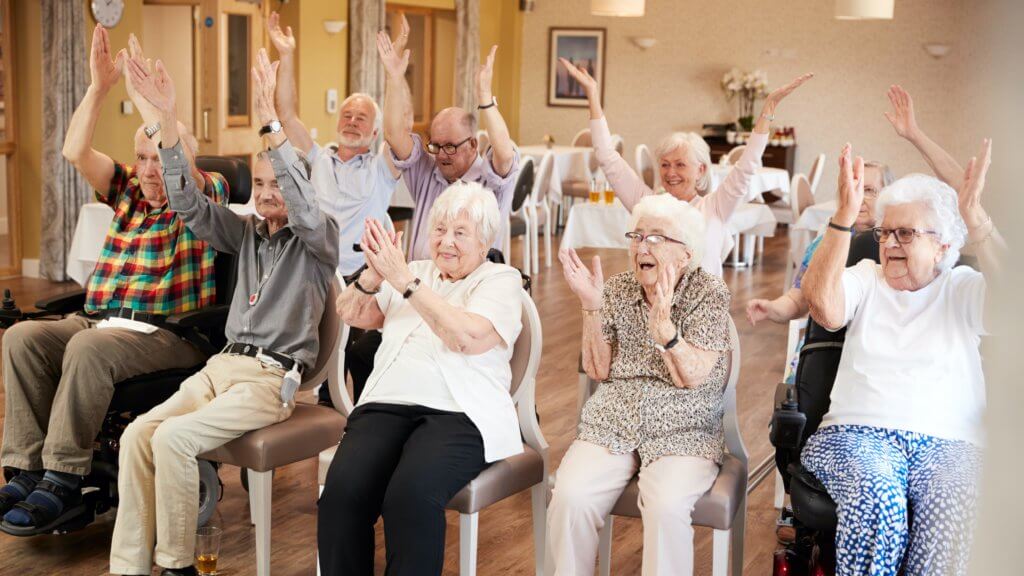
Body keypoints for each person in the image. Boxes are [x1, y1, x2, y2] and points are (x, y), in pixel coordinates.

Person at [107, 49, 338, 576]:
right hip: (221, 369)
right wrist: (167, 118)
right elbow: (187, 204)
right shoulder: (248, 233)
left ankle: (176, 565)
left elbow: (303, 207)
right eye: (259, 184)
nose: (266, 194)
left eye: (277, 183)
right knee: (140, 433)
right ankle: (127, 570)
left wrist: (270, 124)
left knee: (173, 438)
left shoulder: (319, 239)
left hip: (269, 379)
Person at [0, 26, 224, 534]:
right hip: (100, 323)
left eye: (158, 159)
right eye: (140, 158)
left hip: (168, 334)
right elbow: (74, 150)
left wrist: (156, 105)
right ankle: (27, 468)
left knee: (87, 352)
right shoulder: (126, 192)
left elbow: (178, 165)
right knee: (21, 338)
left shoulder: (203, 198)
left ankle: (61, 476)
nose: (148, 170)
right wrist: (100, 87)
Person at [800, 141, 1002, 575]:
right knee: (877, 496)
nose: (889, 244)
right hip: (856, 434)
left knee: (957, 498)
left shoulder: (960, 287)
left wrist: (978, 222)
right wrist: (841, 220)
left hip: (952, 442)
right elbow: (823, 307)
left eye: (905, 234)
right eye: (884, 233)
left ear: (944, 247)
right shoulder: (866, 278)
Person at [318, 182, 524, 576]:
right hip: (386, 404)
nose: (446, 241)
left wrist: (406, 285)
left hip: (461, 412)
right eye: (439, 230)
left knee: (410, 496)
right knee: (342, 496)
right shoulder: (412, 270)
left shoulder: (500, 279)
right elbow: (351, 313)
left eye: (460, 233)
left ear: (484, 241)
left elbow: (465, 338)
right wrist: (373, 278)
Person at [547, 194, 733, 576]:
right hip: (614, 421)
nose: (642, 247)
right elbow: (598, 369)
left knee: (666, 505)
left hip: (684, 428)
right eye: (637, 236)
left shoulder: (708, 293)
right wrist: (591, 305)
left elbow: (693, 375)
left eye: (655, 238)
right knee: (570, 497)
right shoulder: (616, 289)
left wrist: (667, 334)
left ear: (685, 253)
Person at [559, 59, 812, 277]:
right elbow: (607, 157)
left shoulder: (715, 207)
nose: (671, 173)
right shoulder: (647, 203)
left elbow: (746, 167)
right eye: (665, 164)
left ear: (701, 170)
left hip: (702, 314)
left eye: (681, 165)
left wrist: (767, 111)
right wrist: (592, 94)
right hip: (654, 307)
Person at [266, 11, 402, 405]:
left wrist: (394, 77)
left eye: (362, 118)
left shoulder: (381, 167)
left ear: (374, 132)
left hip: (365, 274)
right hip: (318, 271)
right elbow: (285, 115)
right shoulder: (317, 159)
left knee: (361, 356)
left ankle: (361, 410)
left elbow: (397, 131)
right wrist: (287, 56)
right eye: (347, 115)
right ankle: (316, 400)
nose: (353, 121)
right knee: (313, 353)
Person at [377, 26, 520, 262]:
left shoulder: (491, 181)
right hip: (419, 285)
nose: (442, 155)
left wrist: (485, 97)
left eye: (451, 147)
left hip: (470, 290)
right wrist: (394, 78)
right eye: (436, 145)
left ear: (473, 145)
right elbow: (393, 134)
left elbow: (504, 155)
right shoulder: (427, 171)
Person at [745, 161, 891, 382]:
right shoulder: (825, 243)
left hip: (875, 353)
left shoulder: (894, 246)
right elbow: (798, 298)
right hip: (824, 348)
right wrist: (773, 308)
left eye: (869, 190)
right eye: (852, 189)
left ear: (887, 197)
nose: (859, 197)